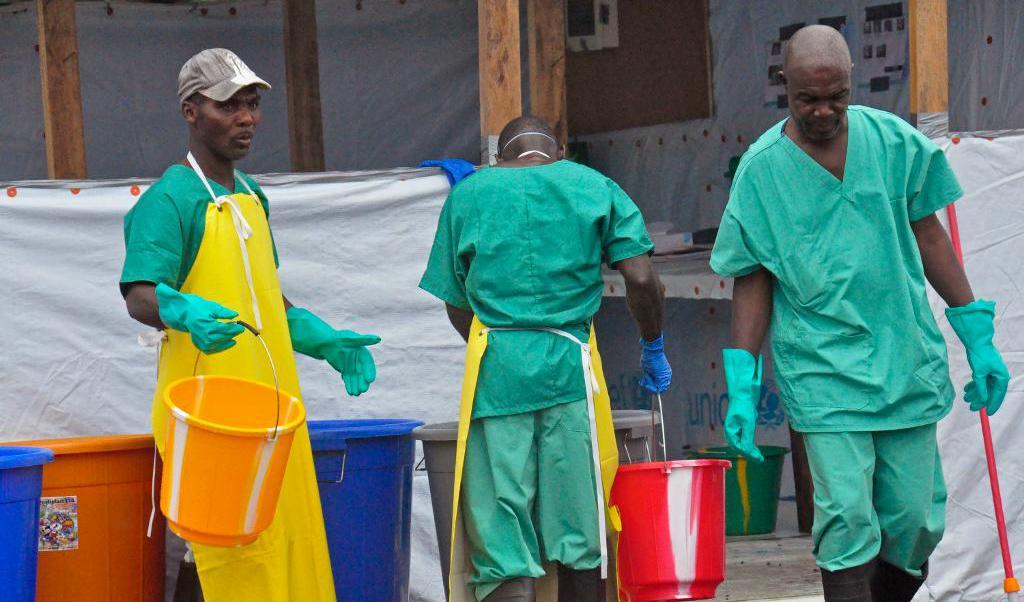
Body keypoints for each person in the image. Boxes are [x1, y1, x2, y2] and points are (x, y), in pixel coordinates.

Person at [710, 26, 1010, 602]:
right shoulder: (762, 170)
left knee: (915, 521)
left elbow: (931, 238)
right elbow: (751, 278)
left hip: (904, 357)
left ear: (851, 85)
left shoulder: (894, 143)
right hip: (822, 367)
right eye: (807, 99)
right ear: (785, 87)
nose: (823, 111)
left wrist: (976, 332)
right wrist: (742, 385)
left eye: (836, 97)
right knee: (847, 515)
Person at [120, 48, 380, 601]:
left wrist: (318, 337)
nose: (246, 117)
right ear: (191, 112)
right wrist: (181, 310)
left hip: (272, 413)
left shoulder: (252, 197)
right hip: (207, 419)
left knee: (283, 548)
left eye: (252, 103)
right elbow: (139, 292)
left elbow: (265, 296)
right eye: (228, 105)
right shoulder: (170, 200)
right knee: (221, 556)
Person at [419, 116, 670, 602]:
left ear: (499, 159)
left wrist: (498, 342)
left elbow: (454, 298)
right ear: (558, 153)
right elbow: (642, 280)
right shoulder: (593, 186)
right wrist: (652, 344)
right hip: (569, 371)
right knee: (580, 523)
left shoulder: (470, 194)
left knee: (501, 523)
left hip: (498, 373)